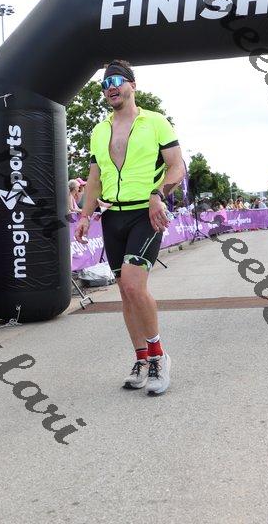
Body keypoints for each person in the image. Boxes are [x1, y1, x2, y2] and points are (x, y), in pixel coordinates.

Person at [75, 59, 185, 395]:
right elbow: (94, 178)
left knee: (135, 286)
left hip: (145, 214)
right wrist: (84, 215)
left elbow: (177, 166)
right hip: (113, 216)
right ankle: (141, 359)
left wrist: (158, 194)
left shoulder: (155, 122)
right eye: (105, 84)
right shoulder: (99, 130)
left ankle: (159, 356)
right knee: (125, 292)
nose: (110, 88)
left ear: (132, 85)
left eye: (117, 81)